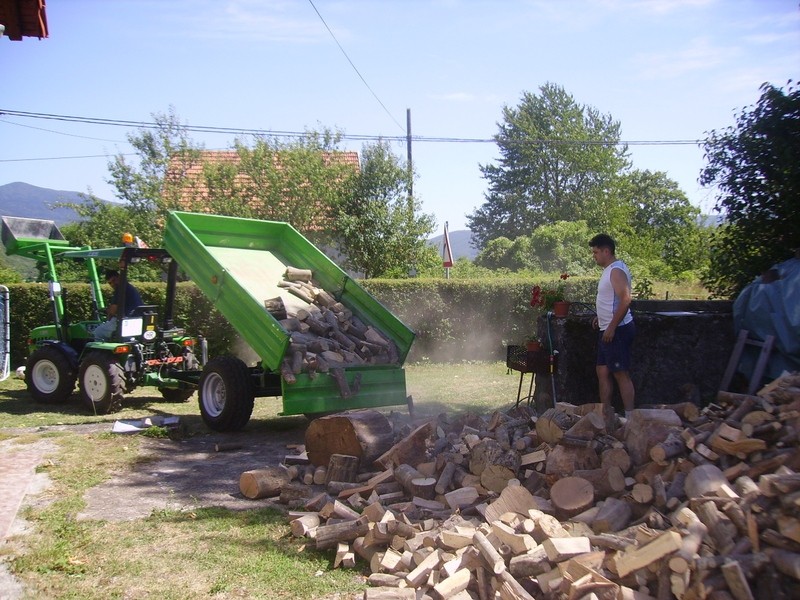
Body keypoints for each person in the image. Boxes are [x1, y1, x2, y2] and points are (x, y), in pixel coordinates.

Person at [589, 233, 635, 415]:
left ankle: (630, 416)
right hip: (606, 328)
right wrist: (601, 317)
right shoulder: (609, 270)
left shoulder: (616, 270)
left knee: (620, 373)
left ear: (606, 251)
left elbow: (625, 300)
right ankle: (605, 413)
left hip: (618, 330)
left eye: (596, 252)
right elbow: (611, 300)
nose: (594, 256)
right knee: (602, 371)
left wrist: (612, 327)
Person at [93, 269, 143, 341]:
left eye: (114, 280)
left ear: (119, 277)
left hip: (125, 322)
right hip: (137, 321)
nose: (113, 284)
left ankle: (102, 352)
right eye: (110, 283)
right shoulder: (130, 288)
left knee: (98, 332)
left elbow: (113, 310)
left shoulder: (120, 289)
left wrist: (107, 311)